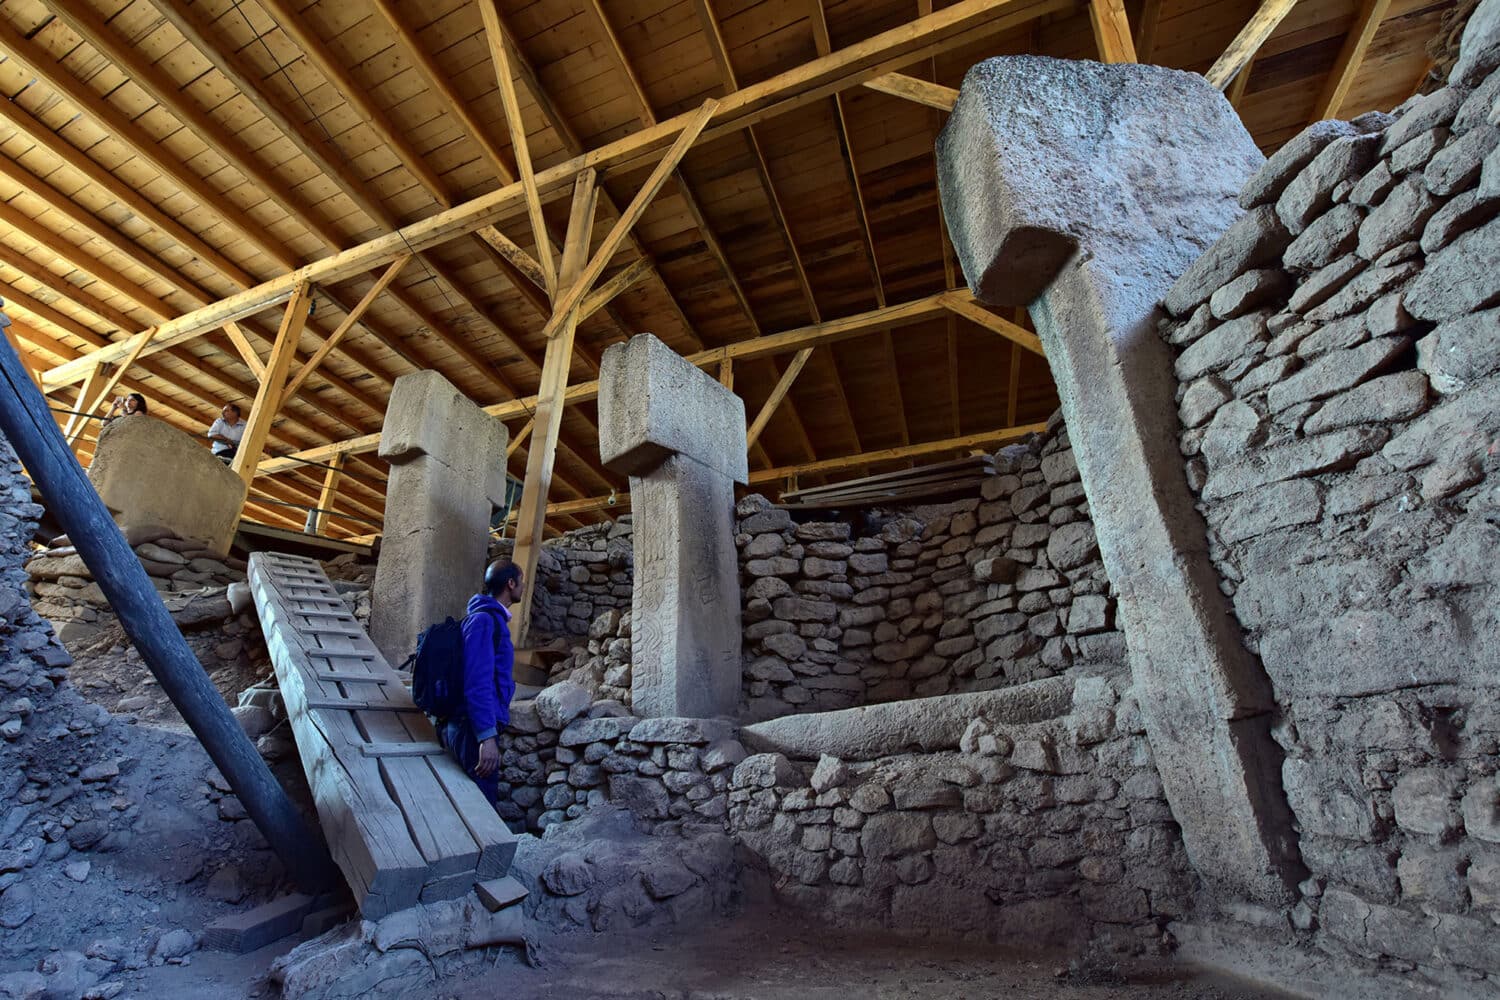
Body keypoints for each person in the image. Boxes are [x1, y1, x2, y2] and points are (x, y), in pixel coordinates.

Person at [442, 559, 521, 805]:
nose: (523, 587)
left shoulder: (488, 620)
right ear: (511, 583)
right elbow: (478, 682)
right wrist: (486, 736)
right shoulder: (485, 621)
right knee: (480, 808)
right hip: (471, 729)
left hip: (471, 726)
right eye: (522, 582)